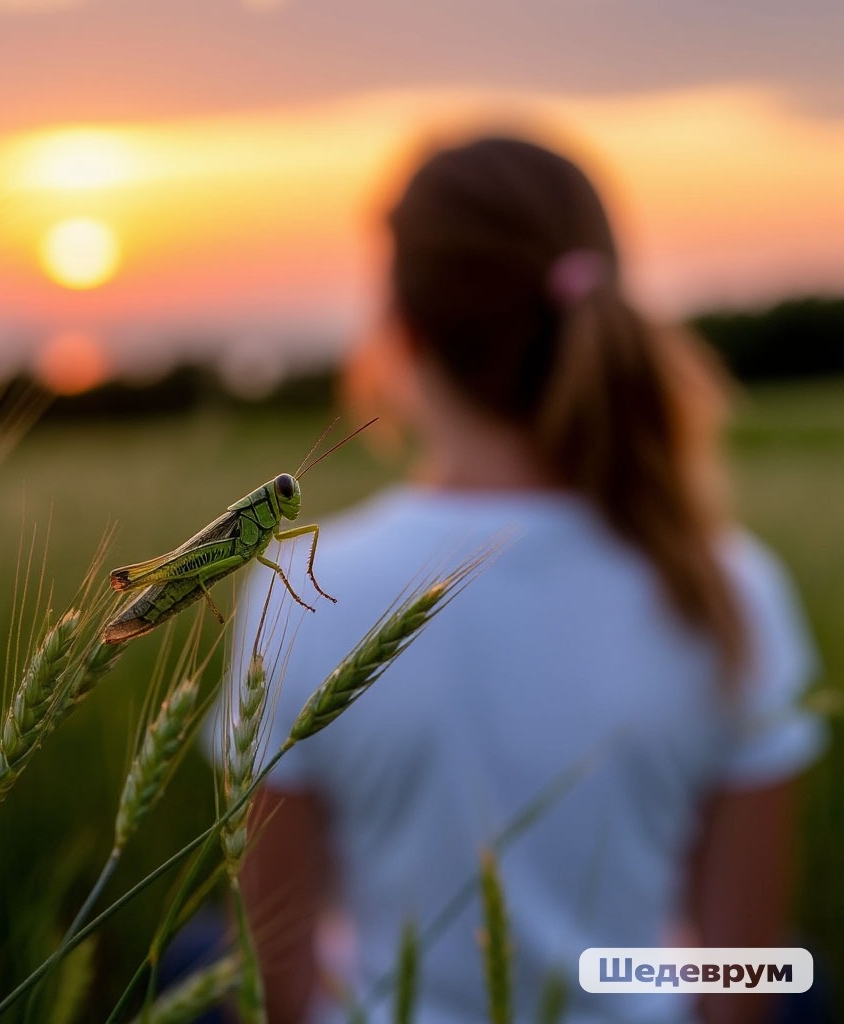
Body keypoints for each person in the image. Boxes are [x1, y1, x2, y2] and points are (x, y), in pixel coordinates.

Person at [229, 136, 826, 1024]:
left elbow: (273, 990)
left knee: (202, 950)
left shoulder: (303, 593)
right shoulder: (735, 588)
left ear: (402, 323)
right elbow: (742, 977)